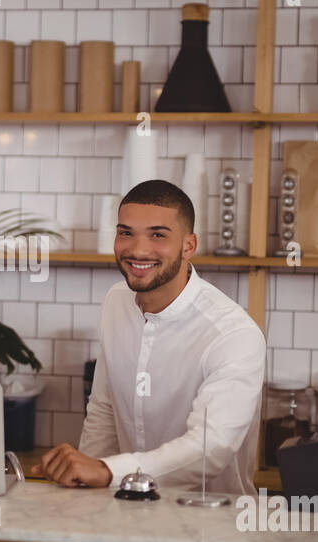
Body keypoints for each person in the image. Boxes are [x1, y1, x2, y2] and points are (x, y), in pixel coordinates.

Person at [31, 179, 266, 495]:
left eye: (158, 235)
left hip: (212, 524)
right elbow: (104, 409)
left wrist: (106, 471)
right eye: (126, 233)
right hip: (124, 511)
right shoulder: (116, 301)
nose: (138, 250)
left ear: (188, 245)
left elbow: (211, 448)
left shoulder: (232, 335)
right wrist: (84, 487)